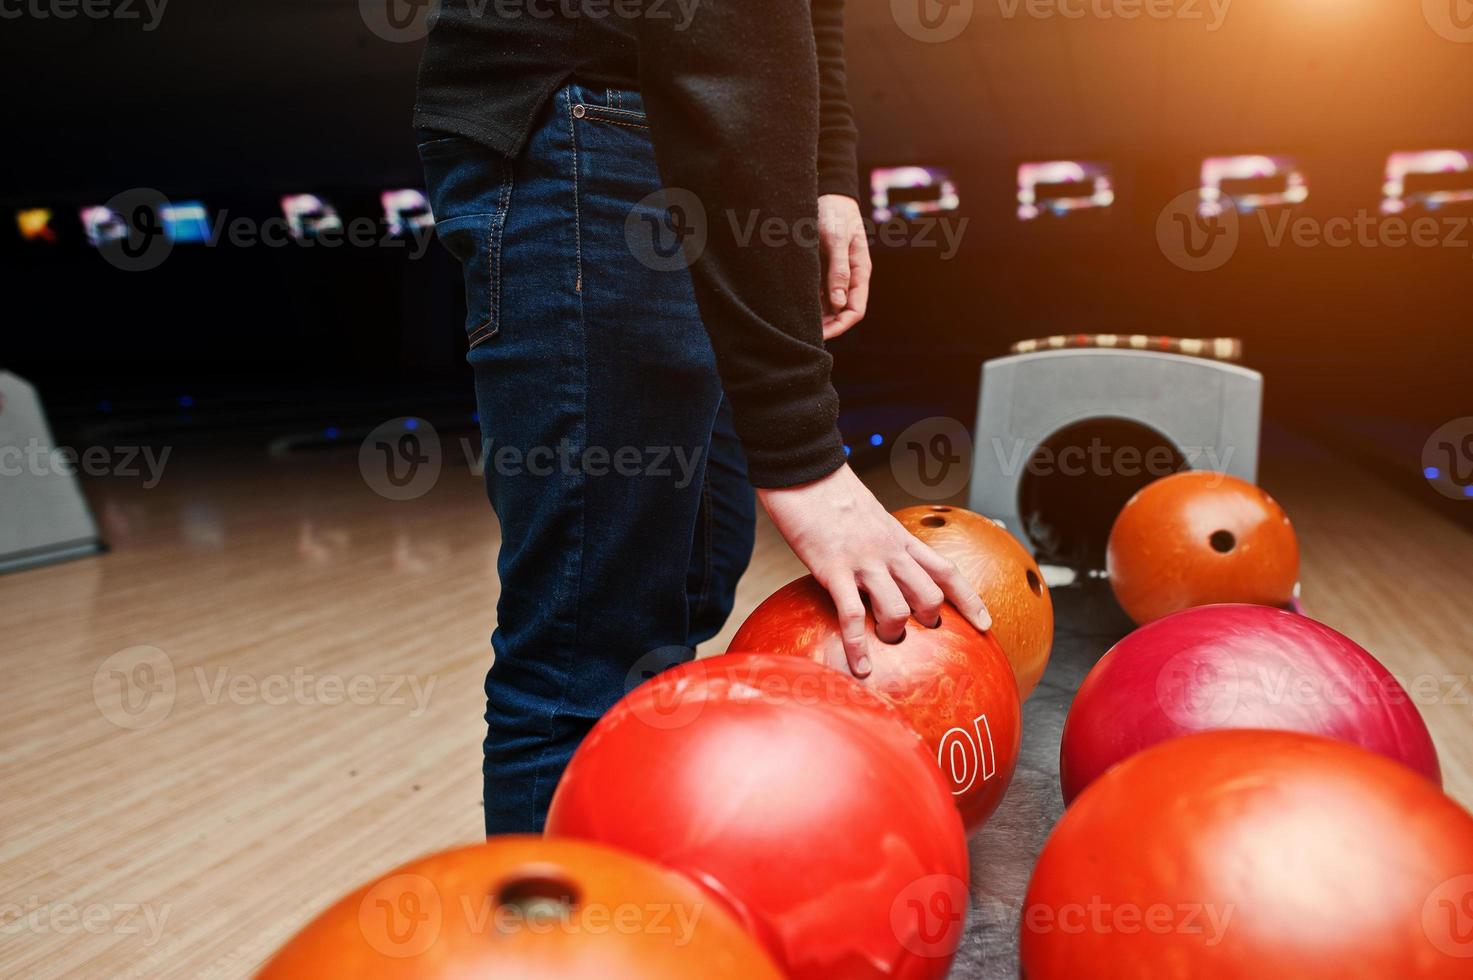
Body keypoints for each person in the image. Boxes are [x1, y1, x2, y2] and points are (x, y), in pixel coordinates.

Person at [414, 0, 991, 835]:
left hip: (657, 134)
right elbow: (728, 34)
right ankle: (562, 953)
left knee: (691, 573)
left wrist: (825, 175)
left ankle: (638, 889)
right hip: (583, 124)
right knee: (588, 641)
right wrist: (805, 458)